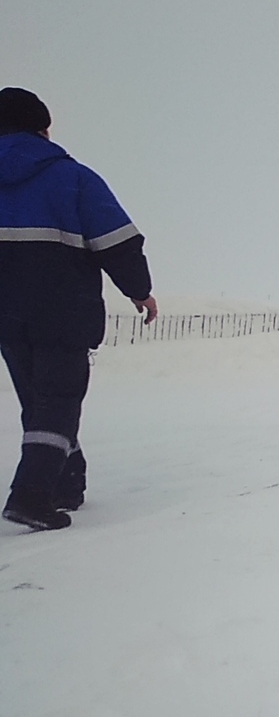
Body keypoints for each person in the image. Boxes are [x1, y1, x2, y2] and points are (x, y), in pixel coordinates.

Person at [0, 87, 158, 531]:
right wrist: (140, 290)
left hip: (7, 316)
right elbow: (118, 241)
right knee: (58, 401)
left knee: (39, 399)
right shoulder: (72, 178)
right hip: (62, 310)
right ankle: (30, 496)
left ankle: (67, 484)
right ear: (43, 128)